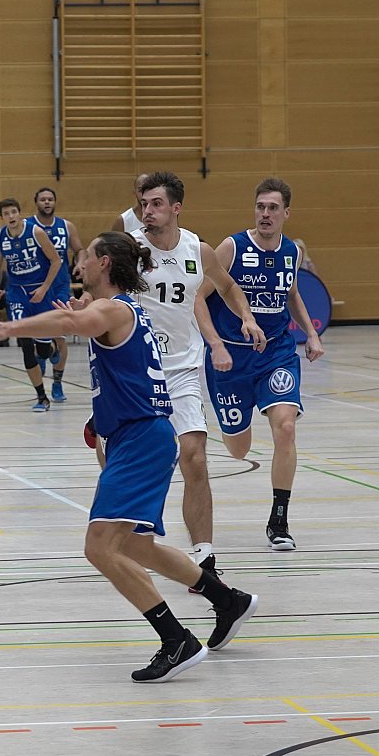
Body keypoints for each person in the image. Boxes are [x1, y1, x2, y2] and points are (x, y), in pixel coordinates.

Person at [0, 232, 259, 683]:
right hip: (138, 436)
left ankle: (176, 639)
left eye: (86, 257)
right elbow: (87, 329)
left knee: (99, 547)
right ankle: (227, 600)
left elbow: (72, 323)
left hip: (141, 438)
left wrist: (9, 329)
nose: (79, 263)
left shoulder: (114, 309)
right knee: (135, 547)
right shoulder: (124, 310)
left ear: (104, 263)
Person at [128, 172, 265, 584]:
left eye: (155, 204)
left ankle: (204, 558)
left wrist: (247, 317)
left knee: (195, 457)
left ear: (176, 208)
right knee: (136, 463)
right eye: (144, 204)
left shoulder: (197, 249)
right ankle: (132, 539)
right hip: (136, 373)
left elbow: (227, 286)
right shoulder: (128, 249)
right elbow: (98, 290)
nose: (147, 211)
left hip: (183, 371)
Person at [199, 177, 325, 552]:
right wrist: (215, 344)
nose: (265, 214)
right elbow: (198, 297)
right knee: (238, 449)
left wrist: (311, 334)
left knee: (286, 427)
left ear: (286, 213)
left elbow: (292, 294)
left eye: (272, 208)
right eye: (260, 207)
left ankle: (279, 521)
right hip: (230, 359)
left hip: (276, 353)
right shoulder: (231, 247)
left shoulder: (292, 251)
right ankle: (237, 424)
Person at [0, 197, 62, 411]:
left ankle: (52, 349)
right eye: (6, 214)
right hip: (17, 294)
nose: (11, 216)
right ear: (2, 217)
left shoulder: (36, 232)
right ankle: (42, 397)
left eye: (13, 212)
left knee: (42, 350)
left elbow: (56, 261)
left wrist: (44, 288)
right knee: (25, 345)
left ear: (19, 213)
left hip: (40, 291)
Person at [35, 186, 85, 403]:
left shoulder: (66, 226)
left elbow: (80, 250)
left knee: (61, 333)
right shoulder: (29, 226)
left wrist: (81, 263)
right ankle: (44, 353)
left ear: (55, 202)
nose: (47, 202)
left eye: (50, 199)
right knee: (37, 333)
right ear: (36, 203)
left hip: (60, 286)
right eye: (43, 199)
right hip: (36, 286)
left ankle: (57, 382)